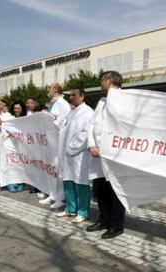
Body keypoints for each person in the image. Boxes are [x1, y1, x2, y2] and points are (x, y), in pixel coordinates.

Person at [86, 71, 126, 239]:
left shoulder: (125, 99)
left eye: (102, 80)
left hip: (114, 154)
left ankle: (116, 226)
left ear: (110, 80)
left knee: (115, 191)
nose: (101, 83)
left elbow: (124, 127)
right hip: (96, 154)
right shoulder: (101, 101)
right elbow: (91, 124)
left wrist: (109, 148)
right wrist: (91, 145)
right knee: (100, 189)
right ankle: (103, 220)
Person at [56, 87, 94, 223]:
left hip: (80, 155)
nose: (70, 98)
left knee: (81, 182)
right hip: (67, 154)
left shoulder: (88, 113)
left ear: (82, 96)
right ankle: (71, 208)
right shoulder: (71, 113)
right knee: (68, 181)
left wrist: (73, 147)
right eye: (70, 95)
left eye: (74, 95)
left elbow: (86, 133)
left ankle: (83, 212)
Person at [39, 83, 71, 209]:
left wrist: (52, 118)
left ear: (56, 90)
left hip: (58, 140)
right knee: (51, 169)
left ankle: (60, 197)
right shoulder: (54, 103)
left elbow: (64, 121)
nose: (48, 90)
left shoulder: (63, 104)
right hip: (50, 141)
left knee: (58, 169)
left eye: (50, 88)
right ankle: (52, 194)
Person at [6, 101, 27, 193]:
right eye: (15, 108)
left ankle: (20, 183)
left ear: (22, 109)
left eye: (18, 108)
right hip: (11, 145)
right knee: (11, 164)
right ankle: (12, 183)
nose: (16, 110)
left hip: (22, 145)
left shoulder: (26, 118)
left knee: (21, 165)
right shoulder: (10, 118)